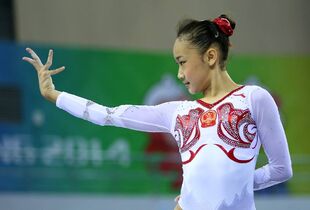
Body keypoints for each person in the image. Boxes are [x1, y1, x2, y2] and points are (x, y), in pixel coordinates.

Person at [23, 14, 292, 210]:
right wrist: (54, 95)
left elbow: (282, 169)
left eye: (182, 62)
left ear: (210, 57)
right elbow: (109, 114)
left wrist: (231, 187)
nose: (179, 74)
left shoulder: (254, 99)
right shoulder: (177, 112)